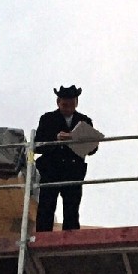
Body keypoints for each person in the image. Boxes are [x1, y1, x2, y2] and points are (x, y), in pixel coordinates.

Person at [34, 85, 96, 232]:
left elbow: (93, 149)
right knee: (46, 206)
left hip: (73, 171)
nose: (68, 108)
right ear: (58, 102)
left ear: (77, 103)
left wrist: (75, 138)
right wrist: (55, 139)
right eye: (64, 104)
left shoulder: (84, 120)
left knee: (72, 209)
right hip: (51, 170)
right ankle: (43, 237)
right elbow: (37, 146)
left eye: (71, 104)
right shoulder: (47, 119)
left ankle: (71, 238)